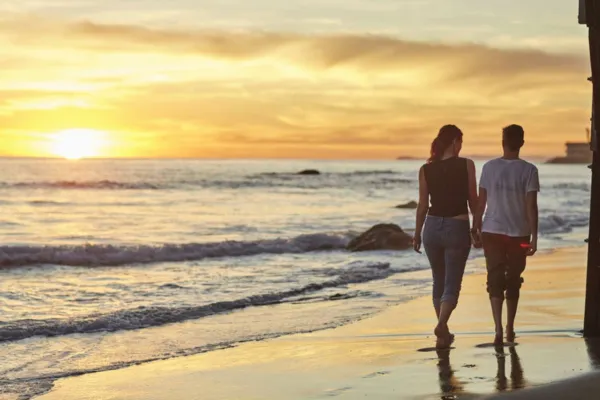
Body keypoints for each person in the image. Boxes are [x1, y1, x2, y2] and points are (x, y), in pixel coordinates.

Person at [473, 124, 539, 346]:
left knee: (494, 278)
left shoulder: (489, 168)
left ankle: (498, 330)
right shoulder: (529, 170)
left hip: (492, 232)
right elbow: (532, 207)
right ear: (521, 142)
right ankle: (510, 327)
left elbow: (480, 203)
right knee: (513, 280)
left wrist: (476, 228)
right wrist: (535, 237)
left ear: (503, 142)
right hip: (519, 235)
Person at [413, 125, 479, 349]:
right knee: (452, 284)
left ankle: (443, 333)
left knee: (438, 281)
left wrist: (416, 234)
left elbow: (422, 206)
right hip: (457, 227)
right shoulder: (466, 165)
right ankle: (442, 323)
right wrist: (477, 225)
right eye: (460, 142)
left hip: (431, 227)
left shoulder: (425, 169)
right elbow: (473, 199)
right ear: (454, 142)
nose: (461, 147)